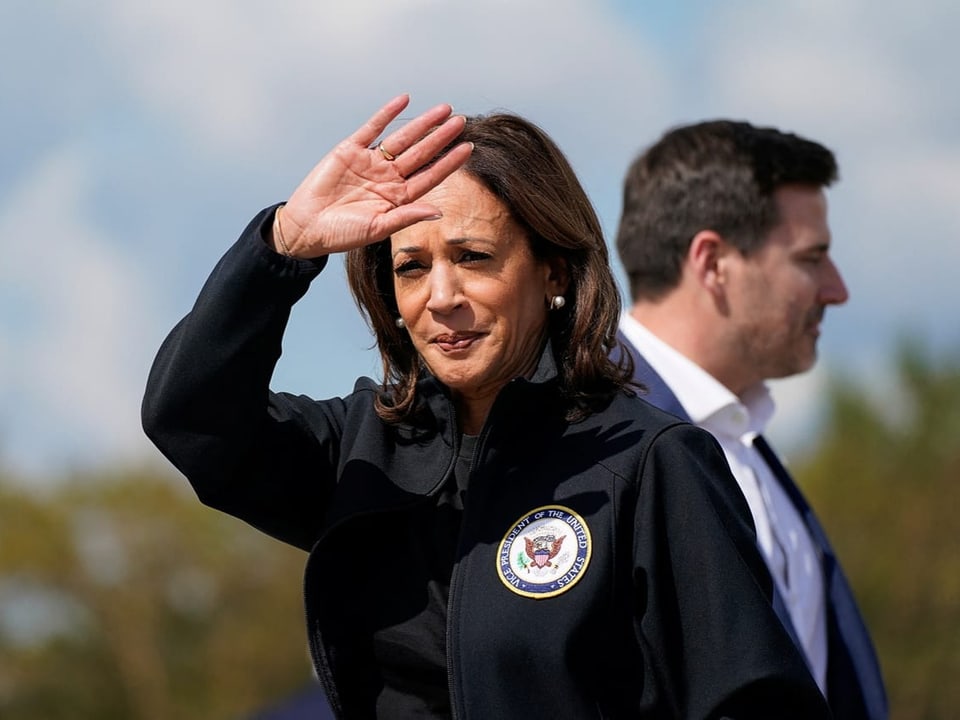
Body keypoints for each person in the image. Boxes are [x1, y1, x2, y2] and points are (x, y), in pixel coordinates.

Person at [142, 95, 830, 719]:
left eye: (473, 257)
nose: (441, 295)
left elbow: (754, 700)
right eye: (411, 267)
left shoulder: (650, 464)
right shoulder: (360, 450)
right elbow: (190, 416)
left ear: (552, 270)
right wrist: (284, 245)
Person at [615, 119, 888, 720]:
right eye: (811, 259)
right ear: (713, 263)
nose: (837, 290)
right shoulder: (591, 443)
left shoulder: (742, 437)